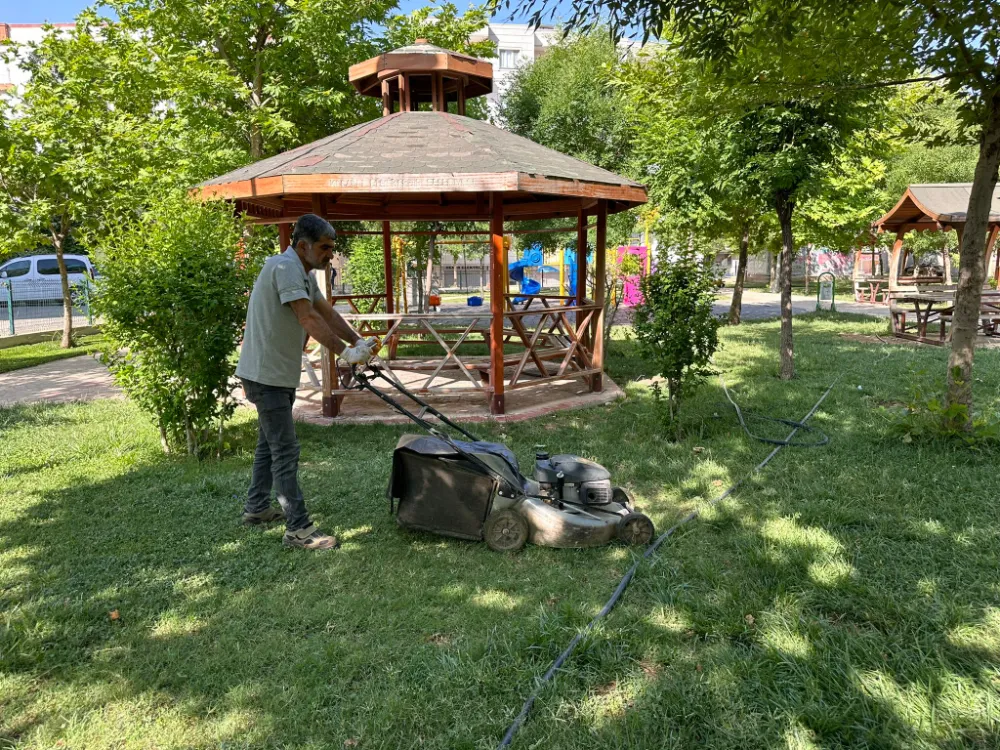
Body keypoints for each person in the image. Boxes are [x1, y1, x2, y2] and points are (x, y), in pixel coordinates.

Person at [236, 214, 377, 550]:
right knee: (285, 450)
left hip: (272, 373)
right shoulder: (285, 268)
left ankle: (256, 509)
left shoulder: (300, 271)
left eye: (332, 247)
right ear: (303, 246)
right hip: (266, 375)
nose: (331, 254)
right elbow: (307, 317)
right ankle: (298, 530)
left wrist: (357, 343)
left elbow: (326, 312)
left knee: (268, 446)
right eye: (325, 248)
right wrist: (345, 352)